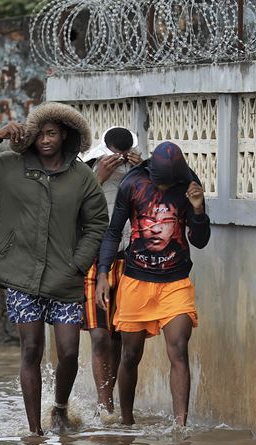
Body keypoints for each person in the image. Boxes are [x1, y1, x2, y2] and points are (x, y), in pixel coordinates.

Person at [0, 102, 108, 435]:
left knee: (68, 352)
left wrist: (78, 263)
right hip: (20, 274)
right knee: (31, 348)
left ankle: (61, 409)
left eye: (51, 134)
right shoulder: (9, 166)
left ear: (65, 135)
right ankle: (35, 431)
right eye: (39, 135)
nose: (45, 140)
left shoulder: (81, 177)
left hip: (65, 277)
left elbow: (97, 222)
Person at [95, 141, 210, 426]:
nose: (160, 191)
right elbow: (112, 232)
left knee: (179, 349)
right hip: (136, 281)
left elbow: (200, 240)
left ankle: (180, 428)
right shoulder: (132, 184)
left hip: (175, 282)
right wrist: (102, 273)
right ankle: (126, 422)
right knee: (130, 354)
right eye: (158, 185)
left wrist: (197, 211)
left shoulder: (189, 185)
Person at [81, 126, 143, 415]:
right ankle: (103, 403)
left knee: (119, 334)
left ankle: (110, 405)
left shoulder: (139, 171)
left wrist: (141, 170)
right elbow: (70, 208)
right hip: (93, 259)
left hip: (128, 258)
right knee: (99, 334)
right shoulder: (85, 170)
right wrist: (98, 179)